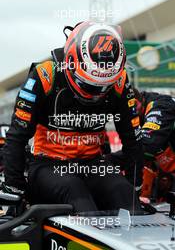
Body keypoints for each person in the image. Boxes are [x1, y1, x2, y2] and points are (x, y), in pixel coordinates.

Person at [2, 21, 143, 213]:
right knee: (79, 199)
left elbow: (132, 139)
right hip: (49, 165)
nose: (97, 93)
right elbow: (17, 136)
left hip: (93, 164)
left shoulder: (119, 81)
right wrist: (16, 190)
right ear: (70, 62)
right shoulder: (44, 76)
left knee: (127, 197)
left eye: (104, 86)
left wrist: (136, 185)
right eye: (91, 85)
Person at [133, 88, 175, 201]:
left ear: (136, 104)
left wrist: (112, 160)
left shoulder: (159, 105)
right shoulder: (139, 115)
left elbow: (148, 143)